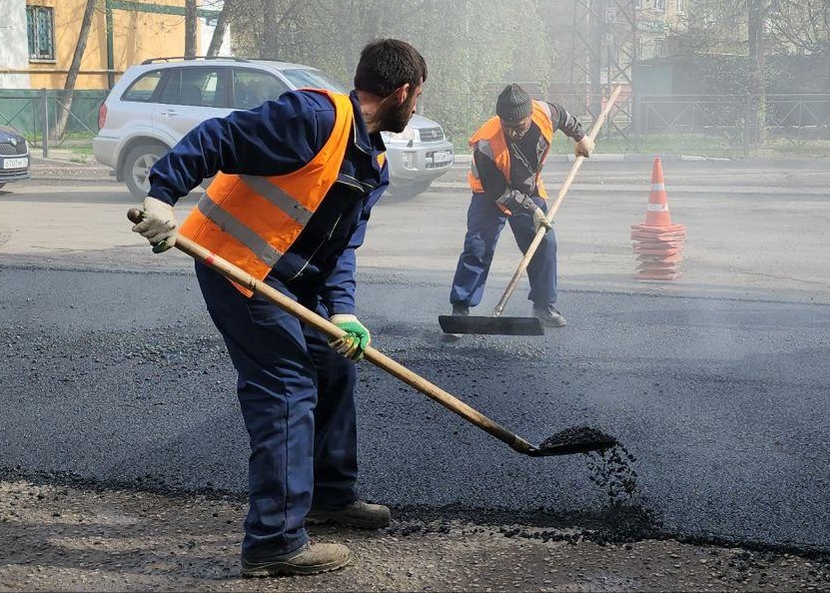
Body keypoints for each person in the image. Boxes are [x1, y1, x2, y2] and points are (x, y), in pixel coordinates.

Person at [131, 39, 426, 577]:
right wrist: (161, 194)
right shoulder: (313, 117)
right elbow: (218, 136)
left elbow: (341, 249)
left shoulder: (372, 160)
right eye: (418, 96)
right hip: (235, 265)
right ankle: (274, 541)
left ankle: (330, 494)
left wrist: (343, 312)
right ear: (403, 91)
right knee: (287, 385)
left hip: (292, 281)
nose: (416, 106)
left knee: (335, 362)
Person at [445, 84, 595, 338]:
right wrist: (532, 209)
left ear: (529, 116)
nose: (514, 132)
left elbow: (566, 118)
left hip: (528, 186)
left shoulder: (545, 113)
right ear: (500, 120)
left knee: (544, 242)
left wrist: (581, 138)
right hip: (489, 194)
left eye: (520, 126)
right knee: (478, 246)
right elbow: (499, 193)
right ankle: (460, 309)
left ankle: (543, 306)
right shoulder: (485, 144)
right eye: (508, 126)